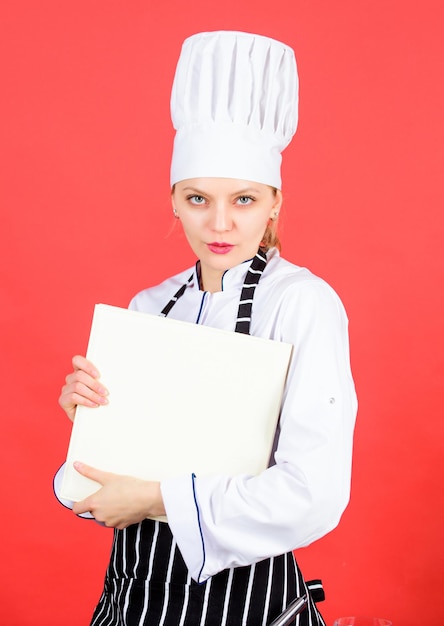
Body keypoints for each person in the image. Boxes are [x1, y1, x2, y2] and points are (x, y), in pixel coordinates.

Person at [54, 31, 357, 626]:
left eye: (243, 200)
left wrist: (156, 498)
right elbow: (86, 494)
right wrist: (89, 424)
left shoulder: (302, 304)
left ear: (274, 201)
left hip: (247, 608)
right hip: (131, 604)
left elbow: (314, 494)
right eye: (198, 199)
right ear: (172, 200)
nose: (219, 224)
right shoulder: (150, 306)